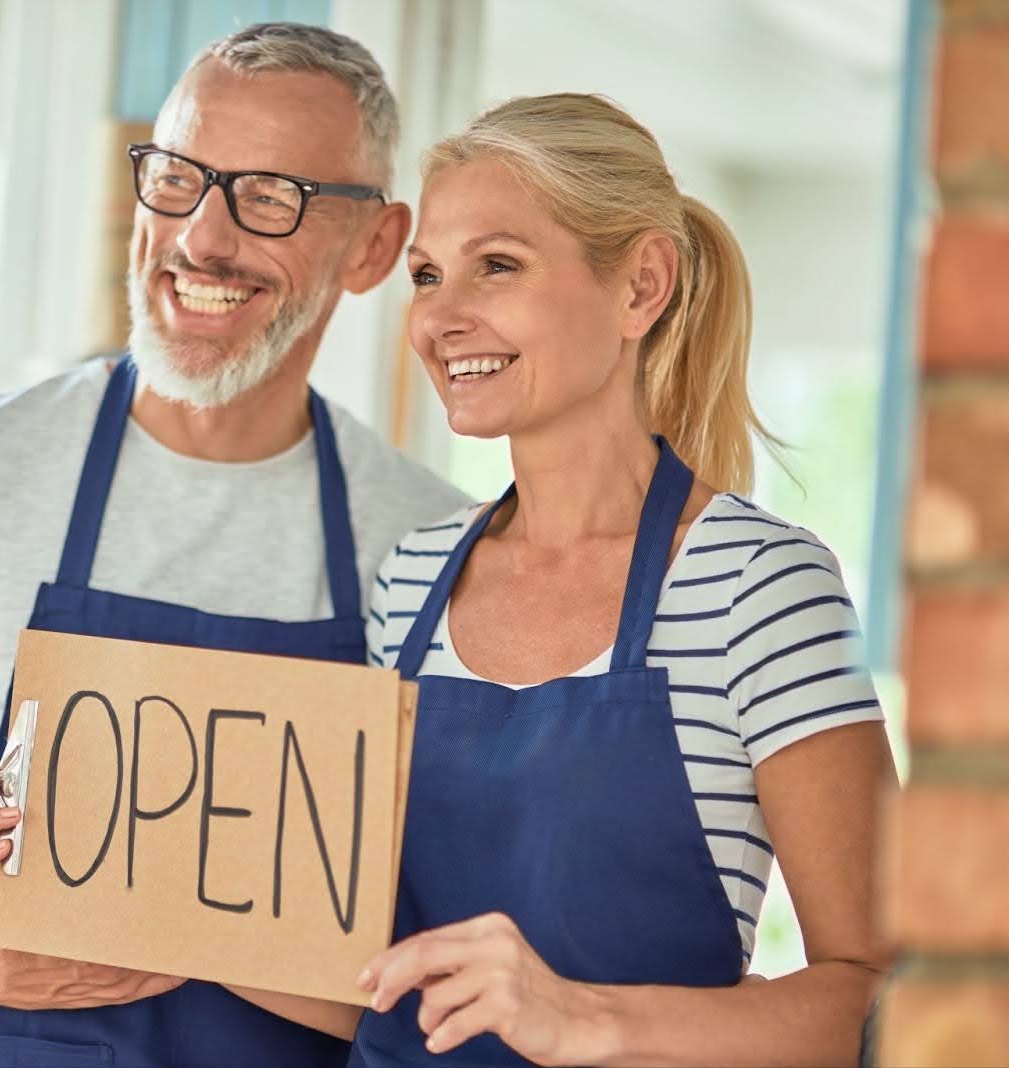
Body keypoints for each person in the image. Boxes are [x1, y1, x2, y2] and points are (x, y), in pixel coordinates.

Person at [0, 21, 469, 1068]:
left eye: (268, 197)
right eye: (178, 177)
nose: (201, 239)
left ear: (374, 247)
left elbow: (459, 943)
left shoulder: (435, 546)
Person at [348, 94, 896, 1065]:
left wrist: (581, 1019)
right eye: (427, 274)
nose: (439, 315)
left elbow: (883, 995)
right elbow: (342, 942)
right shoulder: (409, 581)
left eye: (497, 266)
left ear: (642, 286)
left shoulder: (759, 590)